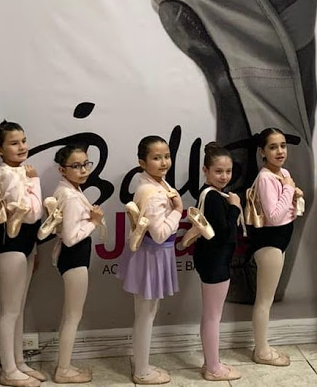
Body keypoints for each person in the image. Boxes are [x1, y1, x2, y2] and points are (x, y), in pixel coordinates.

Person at [0, 120, 48, 387]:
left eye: (23, 140)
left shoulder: (19, 171)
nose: (22, 147)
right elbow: (32, 213)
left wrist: (33, 249)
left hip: (24, 244)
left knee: (18, 309)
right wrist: (35, 181)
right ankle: (8, 370)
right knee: (9, 311)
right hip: (8, 246)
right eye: (14, 143)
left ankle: (19, 362)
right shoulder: (7, 175)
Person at [117, 136, 183, 385]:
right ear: (142, 162)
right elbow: (160, 233)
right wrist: (178, 210)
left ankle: (142, 364)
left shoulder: (158, 183)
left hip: (156, 255)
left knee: (148, 313)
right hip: (151, 255)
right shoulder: (150, 191)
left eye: (166, 156)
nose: (164, 162)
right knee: (145, 315)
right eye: (157, 158)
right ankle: (142, 371)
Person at [51, 144, 105, 383]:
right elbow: (71, 237)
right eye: (76, 166)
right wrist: (94, 222)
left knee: (70, 314)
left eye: (86, 164)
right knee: (73, 316)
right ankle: (63, 370)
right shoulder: (70, 196)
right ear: (62, 169)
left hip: (72, 258)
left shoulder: (69, 189)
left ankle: (64, 365)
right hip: (74, 257)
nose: (83, 170)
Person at [249, 128, 303, 367]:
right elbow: (273, 216)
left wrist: (293, 193)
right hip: (268, 242)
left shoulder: (283, 173)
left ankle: (263, 346)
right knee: (264, 300)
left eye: (283, 145)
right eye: (273, 147)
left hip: (280, 240)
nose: (280, 151)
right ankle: (261, 351)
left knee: (267, 299)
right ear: (262, 151)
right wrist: (289, 189)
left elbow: (289, 211)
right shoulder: (266, 178)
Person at [193, 142, 242, 381]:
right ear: (206, 170)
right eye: (218, 171)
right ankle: (213, 367)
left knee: (210, 315)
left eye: (228, 171)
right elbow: (223, 233)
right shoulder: (213, 197)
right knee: (213, 316)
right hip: (215, 262)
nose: (224, 176)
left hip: (212, 260)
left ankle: (210, 362)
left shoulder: (211, 194)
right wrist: (235, 208)